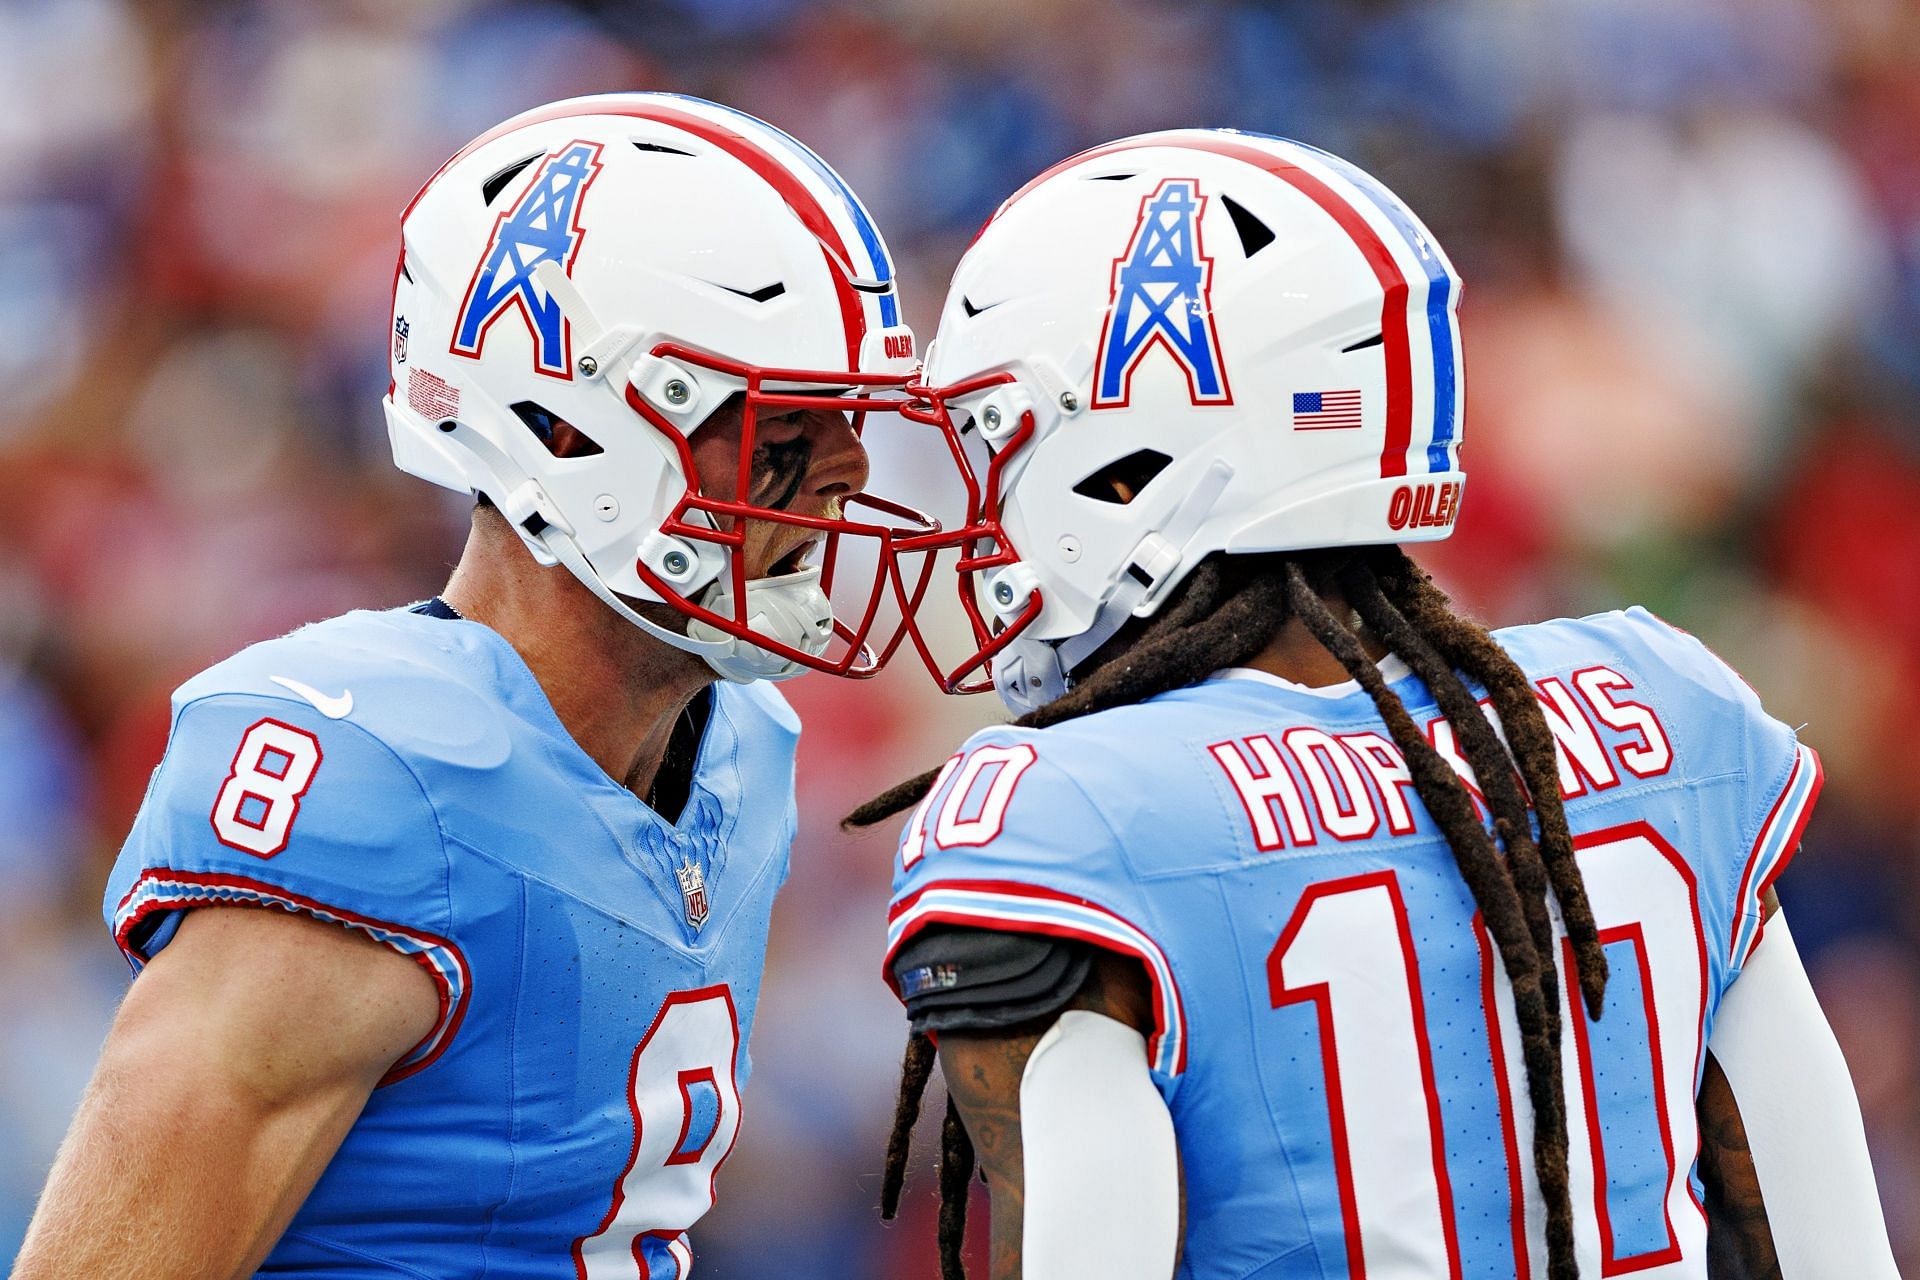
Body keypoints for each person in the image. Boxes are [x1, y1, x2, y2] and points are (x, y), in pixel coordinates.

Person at [852, 130, 1897, 1279]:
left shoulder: (1071, 814)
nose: (981, 502)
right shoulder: (1663, 702)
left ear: (1132, 455)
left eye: (1002, 440)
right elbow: (1828, 1242)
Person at [12, 92, 925, 1279]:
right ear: (564, 427)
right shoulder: (380, 783)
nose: (849, 475)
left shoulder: (741, 743)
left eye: (851, 416)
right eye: (785, 422)